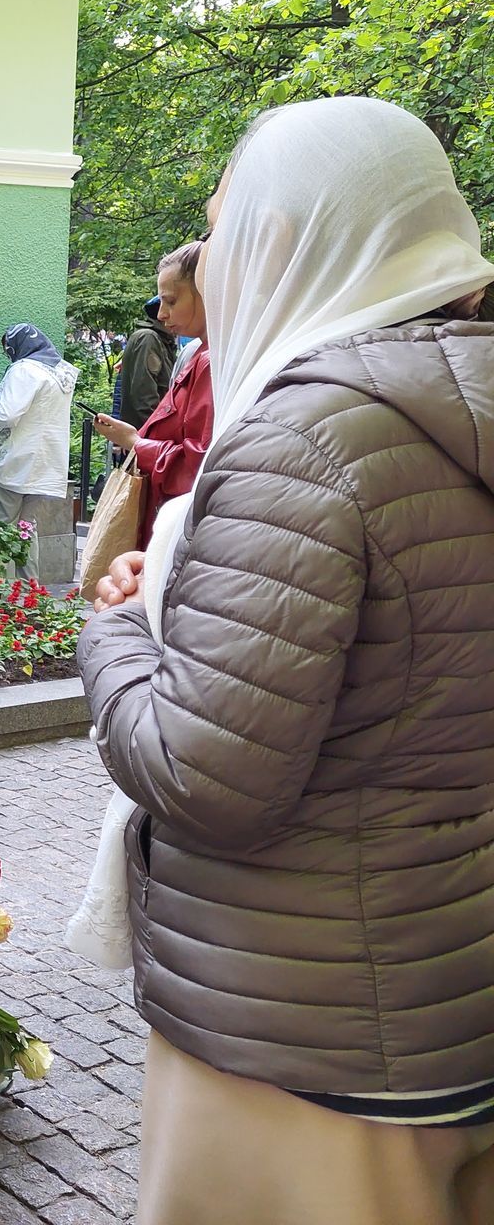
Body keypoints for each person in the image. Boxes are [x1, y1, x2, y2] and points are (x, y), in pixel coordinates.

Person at [80, 96, 494, 1224]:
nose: (211, 258)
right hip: (453, 1004)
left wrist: (112, 629)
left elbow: (205, 774)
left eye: (227, 226)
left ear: (290, 235)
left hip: (303, 1045)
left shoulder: (307, 443)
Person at [93, 241, 213, 550]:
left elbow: (197, 465)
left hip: (179, 525)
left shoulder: (211, 360)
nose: (161, 313)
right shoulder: (200, 352)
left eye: (171, 301)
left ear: (207, 290)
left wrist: (137, 443)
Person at [0, 324, 78, 578]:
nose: (9, 354)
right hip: (46, 463)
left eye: (8, 349)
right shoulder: (59, 372)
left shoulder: (25, 370)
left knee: (0, 528)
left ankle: (0, 591)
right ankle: (29, 591)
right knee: (28, 529)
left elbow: (7, 414)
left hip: (15, 460)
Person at [112, 296, 176, 426]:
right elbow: (144, 398)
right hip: (145, 436)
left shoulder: (162, 341)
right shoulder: (148, 339)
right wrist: (160, 431)